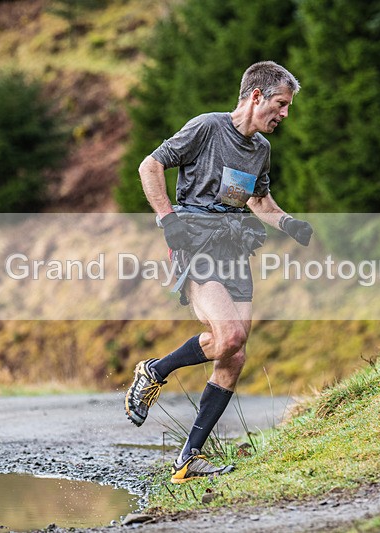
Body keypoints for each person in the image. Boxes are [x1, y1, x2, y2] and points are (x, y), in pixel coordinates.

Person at [125, 61, 313, 484]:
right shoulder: (207, 128)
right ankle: (155, 371)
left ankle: (188, 460)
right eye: (281, 105)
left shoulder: (261, 150)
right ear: (257, 96)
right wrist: (166, 219)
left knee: (234, 353)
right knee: (230, 336)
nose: (284, 114)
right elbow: (149, 166)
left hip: (233, 247)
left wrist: (288, 223)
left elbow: (259, 202)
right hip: (194, 241)